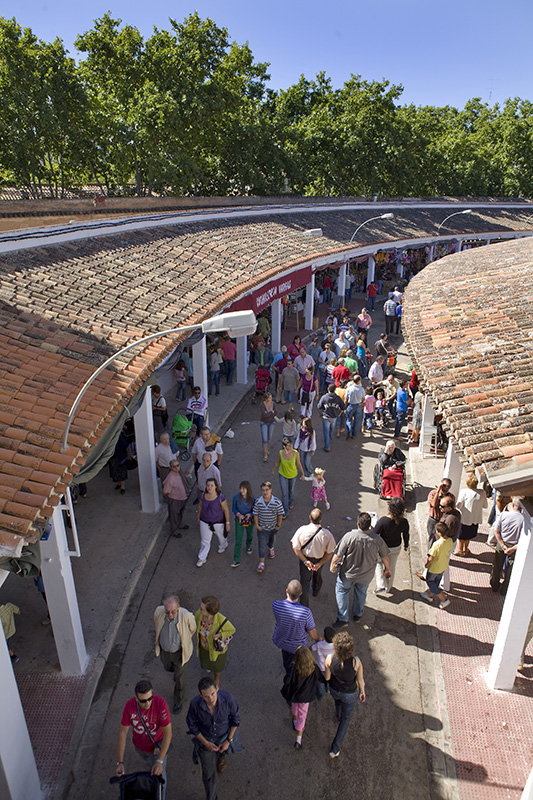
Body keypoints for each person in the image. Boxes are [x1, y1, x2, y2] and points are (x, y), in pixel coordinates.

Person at [330, 512, 391, 625]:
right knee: (361, 593)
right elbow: (385, 557)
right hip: (366, 575)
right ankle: (357, 614)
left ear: (358, 524)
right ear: (370, 526)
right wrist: (387, 569)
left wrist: (332, 566)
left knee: (342, 591)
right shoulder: (377, 539)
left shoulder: (349, 537)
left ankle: (343, 618)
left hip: (348, 573)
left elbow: (338, 555)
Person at [186, 676, 241, 800]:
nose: (211, 699)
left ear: (217, 688)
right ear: (201, 695)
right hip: (206, 740)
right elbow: (192, 725)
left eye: (212, 694)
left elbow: (235, 720)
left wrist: (228, 740)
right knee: (208, 773)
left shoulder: (228, 700)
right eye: (206, 696)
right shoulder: (195, 705)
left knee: (223, 751)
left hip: (224, 737)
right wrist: (205, 743)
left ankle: (221, 757)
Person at [115, 679, 172, 795]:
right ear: (136, 698)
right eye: (143, 701)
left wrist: (160, 761)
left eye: (150, 698)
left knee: (160, 781)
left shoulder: (160, 704)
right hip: (140, 747)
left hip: (157, 749)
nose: (147, 704)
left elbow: (168, 734)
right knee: (149, 762)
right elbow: (122, 733)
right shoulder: (129, 707)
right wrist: (119, 762)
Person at [324, 632, 365, 758]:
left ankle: (337, 716)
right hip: (350, 694)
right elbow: (360, 680)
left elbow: (327, 678)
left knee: (337, 703)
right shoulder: (356, 662)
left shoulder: (329, 659)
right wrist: (362, 691)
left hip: (335, 690)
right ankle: (334, 749)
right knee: (346, 719)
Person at [154, 593, 197, 713]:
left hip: (179, 654)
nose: (170, 615)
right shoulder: (159, 612)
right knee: (168, 667)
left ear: (178, 608)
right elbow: (157, 626)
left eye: (173, 612)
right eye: (167, 611)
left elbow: (192, 629)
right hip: (165, 653)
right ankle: (175, 671)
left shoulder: (187, 616)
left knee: (180, 680)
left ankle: (178, 701)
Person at [272, 580, 320, 676]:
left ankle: (289, 673)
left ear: (286, 591)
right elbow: (311, 630)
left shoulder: (276, 605)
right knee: (301, 664)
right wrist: (317, 639)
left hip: (283, 643)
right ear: (300, 594)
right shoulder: (305, 612)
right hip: (299, 647)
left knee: (286, 660)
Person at [281, 645, 324, 749]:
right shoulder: (314, 668)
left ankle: (295, 721)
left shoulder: (294, 668)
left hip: (295, 694)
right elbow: (321, 678)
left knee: (294, 707)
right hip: (306, 697)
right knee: (302, 715)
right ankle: (298, 739)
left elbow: (286, 681)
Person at [291, 508, 336, 607]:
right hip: (319, 559)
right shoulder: (327, 534)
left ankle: (304, 605)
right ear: (321, 520)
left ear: (310, 517)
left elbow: (295, 547)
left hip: (305, 558)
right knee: (318, 575)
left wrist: (305, 561)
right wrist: (320, 563)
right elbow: (330, 552)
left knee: (304, 582)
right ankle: (316, 591)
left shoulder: (302, 530)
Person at [195, 596, 235, 688]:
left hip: (216, 650)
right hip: (204, 647)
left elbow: (232, 630)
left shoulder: (220, 620)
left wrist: (220, 635)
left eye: (202, 609)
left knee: (217, 667)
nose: (199, 610)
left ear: (210, 612)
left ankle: (216, 679)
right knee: (206, 662)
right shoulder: (199, 615)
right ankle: (208, 667)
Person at [373, 498, 409, 594]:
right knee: (391, 566)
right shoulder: (404, 522)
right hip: (396, 548)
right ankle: (388, 587)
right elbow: (406, 534)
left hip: (382, 548)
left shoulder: (383, 521)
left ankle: (380, 584)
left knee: (379, 563)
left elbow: (374, 534)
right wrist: (406, 545)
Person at [490, 497, 524, 595]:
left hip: (502, 544)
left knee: (497, 566)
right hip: (514, 547)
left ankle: (494, 585)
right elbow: (524, 538)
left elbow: (496, 530)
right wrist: (512, 548)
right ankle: (505, 589)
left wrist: (502, 544)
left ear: (512, 505)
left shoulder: (503, 515)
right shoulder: (523, 520)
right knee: (510, 569)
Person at [419, 522, 454, 609]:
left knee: (430, 582)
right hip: (443, 565)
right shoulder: (450, 540)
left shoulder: (437, 544)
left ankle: (444, 600)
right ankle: (429, 595)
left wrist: (427, 565)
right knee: (436, 582)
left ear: (439, 532)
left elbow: (431, 558)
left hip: (435, 567)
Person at [196, 478, 230, 568]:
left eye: (211, 485)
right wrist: (198, 517)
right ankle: (202, 558)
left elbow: (226, 510)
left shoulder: (221, 497)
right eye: (208, 485)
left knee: (221, 536)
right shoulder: (202, 496)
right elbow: (200, 506)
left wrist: (227, 523)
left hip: (218, 522)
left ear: (215, 486)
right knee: (205, 541)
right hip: (205, 521)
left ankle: (223, 545)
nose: (209, 487)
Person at [253, 481, 284, 573]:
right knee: (261, 545)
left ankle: (271, 548)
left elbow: (280, 514)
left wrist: (278, 525)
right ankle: (261, 563)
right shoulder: (258, 502)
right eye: (263, 490)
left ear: (270, 490)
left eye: (267, 490)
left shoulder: (276, 502)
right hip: (262, 528)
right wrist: (257, 525)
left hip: (273, 527)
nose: (265, 492)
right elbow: (255, 514)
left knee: (272, 540)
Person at [455, 473, 488, 556]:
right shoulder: (482, 492)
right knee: (468, 535)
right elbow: (485, 506)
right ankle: (466, 549)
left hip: (465, 518)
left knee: (461, 535)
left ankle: (459, 549)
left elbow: (458, 505)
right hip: (475, 518)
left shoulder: (464, 492)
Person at [271, 437, 305, 516]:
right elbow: (277, 463)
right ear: (284, 446)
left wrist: (303, 474)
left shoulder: (296, 453)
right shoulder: (280, 453)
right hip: (282, 475)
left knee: (291, 490)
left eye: (291, 445)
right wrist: (273, 470)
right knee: (284, 493)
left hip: (292, 475)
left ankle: (291, 501)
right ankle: (285, 511)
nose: (291, 447)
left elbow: (299, 464)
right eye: (288, 446)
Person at [231, 481, 255, 567]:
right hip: (239, 521)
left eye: (244, 489)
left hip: (249, 521)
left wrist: (250, 514)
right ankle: (236, 559)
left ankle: (248, 545)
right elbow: (234, 508)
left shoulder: (252, 499)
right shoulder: (236, 498)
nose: (242, 490)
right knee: (238, 540)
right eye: (241, 488)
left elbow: (255, 510)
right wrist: (238, 514)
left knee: (250, 535)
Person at [162, 460, 190, 536]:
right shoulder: (170, 478)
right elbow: (165, 491)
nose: (176, 468)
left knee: (180, 513)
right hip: (175, 500)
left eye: (178, 465)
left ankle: (180, 524)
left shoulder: (180, 473)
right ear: (170, 467)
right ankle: (174, 531)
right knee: (173, 516)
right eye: (174, 466)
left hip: (183, 498)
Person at [427, 479, 455, 547]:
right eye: (444, 486)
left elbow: (452, 508)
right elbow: (433, 504)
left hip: (443, 520)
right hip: (434, 519)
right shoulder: (433, 493)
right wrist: (438, 491)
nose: (446, 488)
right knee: (432, 538)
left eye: (448, 487)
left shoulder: (450, 496)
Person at [317, 384, 345, 452]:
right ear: (335, 390)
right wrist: (340, 412)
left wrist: (320, 413)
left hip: (326, 416)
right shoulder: (337, 398)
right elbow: (343, 407)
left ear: (328, 389)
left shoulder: (324, 397)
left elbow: (319, 406)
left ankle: (327, 446)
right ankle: (330, 439)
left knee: (326, 431)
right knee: (332, 429)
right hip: (334, 416)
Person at [344, 375, 365, 440]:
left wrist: (345, 407)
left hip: (351, 405)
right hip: (358, 406)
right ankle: (354, 434)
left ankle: (349, 431)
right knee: (356, 421)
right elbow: (363, 399)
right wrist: (362, 404)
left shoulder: (349, 389)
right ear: (359, 381)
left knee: (349, 420)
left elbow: (346, 400)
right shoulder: (361, 389)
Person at [259, 392, 278, 462]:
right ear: (266, 398)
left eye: (271, 397)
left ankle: (267, 449)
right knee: (264, 439)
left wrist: (269, 413)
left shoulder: (274, 404)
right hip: (264, 423)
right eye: (269, 397)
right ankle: (265, 454)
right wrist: (271, 413)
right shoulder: (262, 405)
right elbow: (264, 415)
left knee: (269, 438)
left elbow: (276, 413)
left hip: (271, 423)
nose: (271, 399)